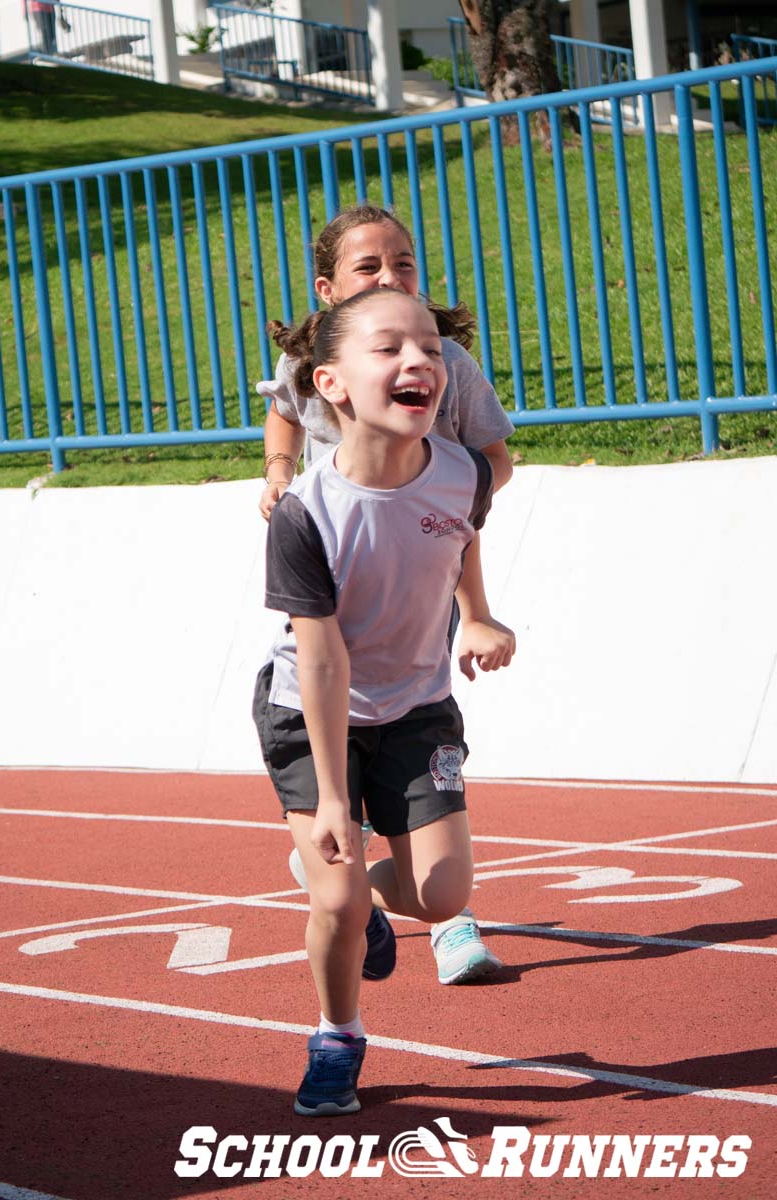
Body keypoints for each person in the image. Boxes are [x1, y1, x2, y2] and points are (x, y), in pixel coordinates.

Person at [253, 288, 516, 1115]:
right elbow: (323, 660)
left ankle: (355, 882)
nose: (420, 364)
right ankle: (338, 1035)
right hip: (311, 709)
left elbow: (459, 533)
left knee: (441, 897)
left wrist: (475, 614)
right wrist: (334, 799)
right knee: (335, 899)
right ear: (328, 383)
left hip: (416, 705)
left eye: (431, 350)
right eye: (390, 349)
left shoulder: (465, 472)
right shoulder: (306, 515)